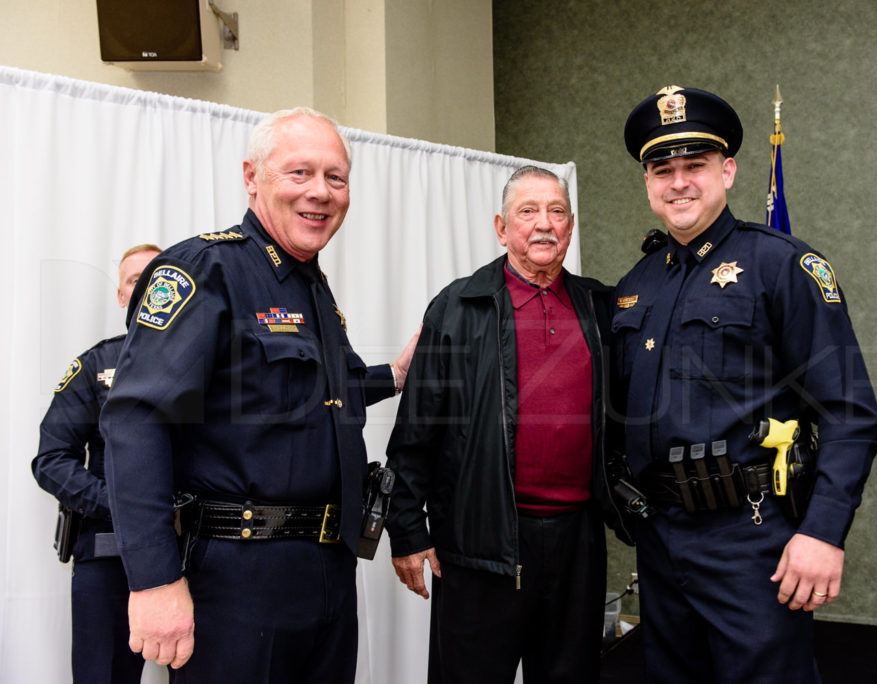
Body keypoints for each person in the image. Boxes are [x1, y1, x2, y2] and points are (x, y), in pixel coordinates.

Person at [99, 107, 417, 683]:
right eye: (299, 173)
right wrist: (153, 580)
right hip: (237, 579)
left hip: (326, 573)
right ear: (253, 178)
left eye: (335, 177)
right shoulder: (204, 270)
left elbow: (320, 393)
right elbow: (137, 421)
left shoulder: (311, 284)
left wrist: (393, 376)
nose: (320, 193)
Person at [611, 85, 877, 683]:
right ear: (648, 181)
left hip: (750, 536)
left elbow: (851, 413)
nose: (679, 182)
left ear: (728, 171)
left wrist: (822, 532)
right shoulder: (637, 283)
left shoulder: (781, 266)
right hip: (659, 538)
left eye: (696, 166)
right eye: (663, 169)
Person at [385, 166, 622, 684]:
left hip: (576, 542)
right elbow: (416, 430)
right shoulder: (457, 307)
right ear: (501, 227)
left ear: (571, 225)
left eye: (556, 212)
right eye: (528, 212)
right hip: (479, 543)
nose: (544, 225)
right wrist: (405, 530)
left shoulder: (601, 308)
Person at [32, 243, 162, 683]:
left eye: (155, 276)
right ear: (122, 296)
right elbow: (51, 459)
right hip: (109, 554)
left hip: (199, 555)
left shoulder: (211, 366)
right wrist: (121, 505)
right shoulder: (96, 365)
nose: (144, 285)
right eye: (133, 280)